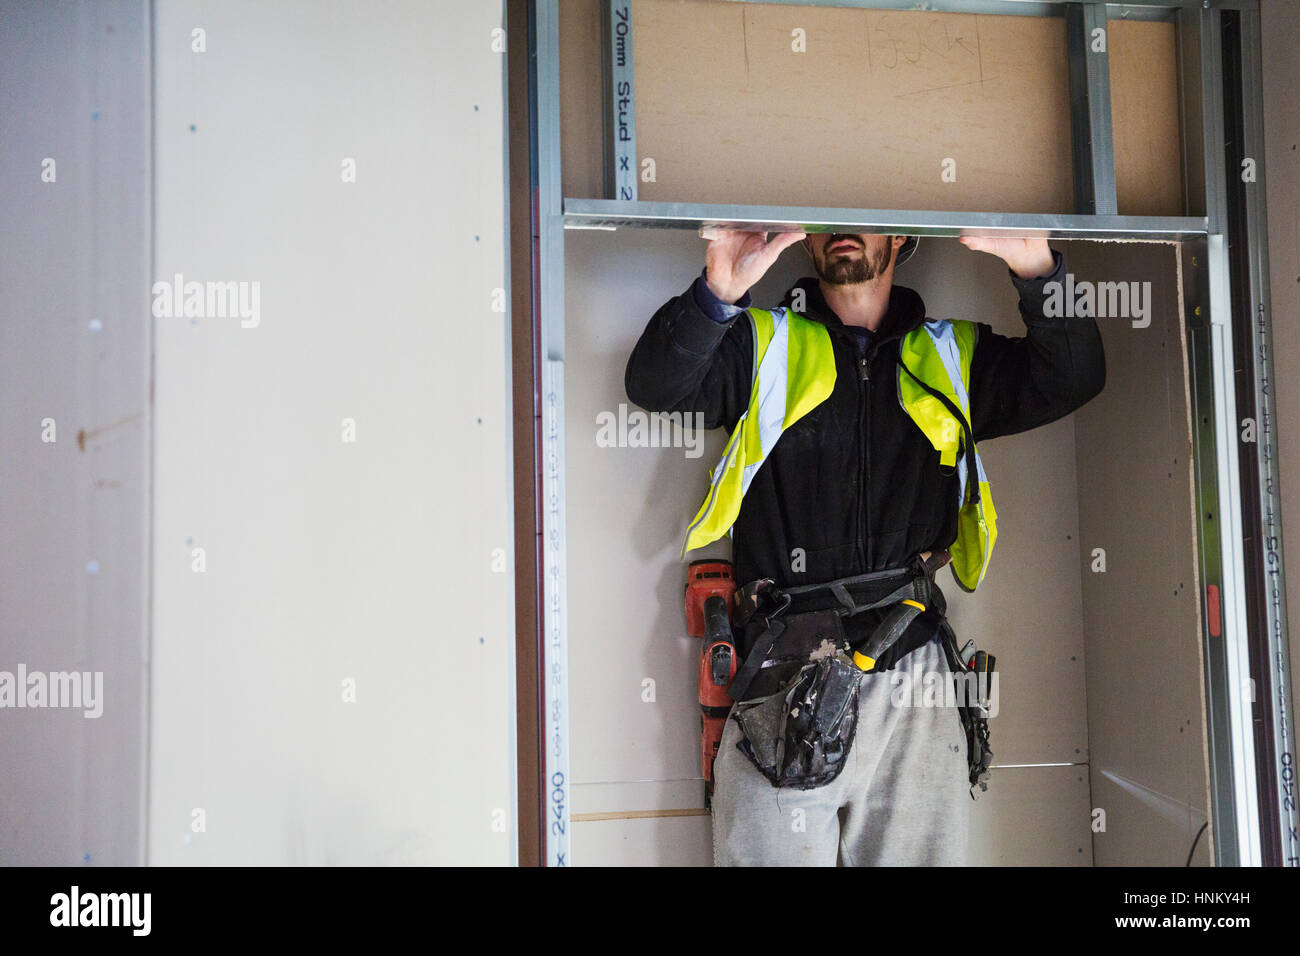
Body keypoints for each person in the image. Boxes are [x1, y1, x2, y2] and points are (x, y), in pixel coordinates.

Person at [624, 230, 1105, 866]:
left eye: (864, 211)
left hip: (913, 676)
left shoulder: (953, 356)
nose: (844, 231)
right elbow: (654, 385)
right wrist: (719, 291)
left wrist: (1038, 268)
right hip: (782, 674)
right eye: (827, 214)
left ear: (900, 234)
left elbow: (1075, 373)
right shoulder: (762, 343)